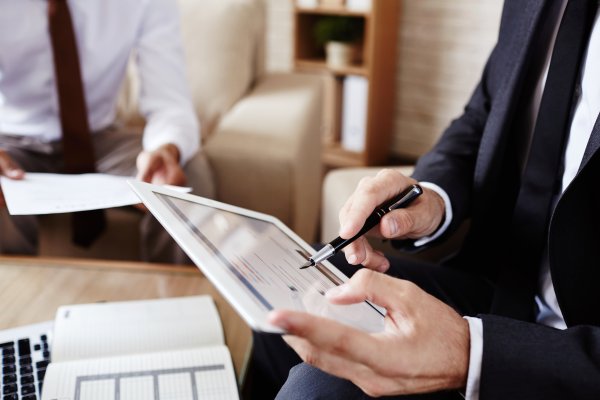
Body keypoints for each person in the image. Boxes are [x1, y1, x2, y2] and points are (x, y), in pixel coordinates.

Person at [248, 0, 600, 398]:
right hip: (498, 286)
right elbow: (482, 115)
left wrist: (471, 352)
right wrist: (430, 197)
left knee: (315, 391)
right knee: (290, 286)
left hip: (575, 352)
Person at [0, 0, 214, 262]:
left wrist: (166, 148)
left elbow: (170, 102)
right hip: (9, 141)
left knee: (186, 176)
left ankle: (176, 299)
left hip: (100, 136)